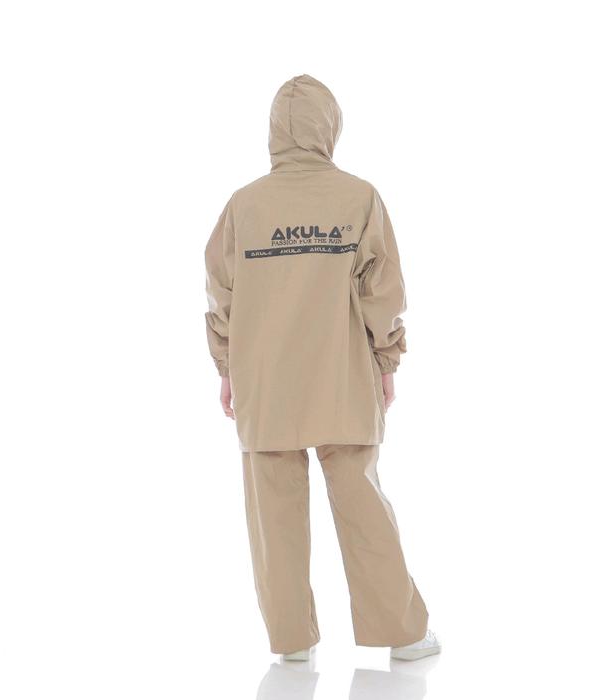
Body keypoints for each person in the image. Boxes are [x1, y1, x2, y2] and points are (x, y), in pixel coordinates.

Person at [204, 74, 440, 662]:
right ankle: (404, 636)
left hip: (266, 384)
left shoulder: (243, 206)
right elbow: (382, 293)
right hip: (342, 378)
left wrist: (227, 368)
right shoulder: (359, 198)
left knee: (273, 514)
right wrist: (387, 361)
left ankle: (292, 645)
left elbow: (221, 296)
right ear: (330, 127)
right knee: (363, 504)